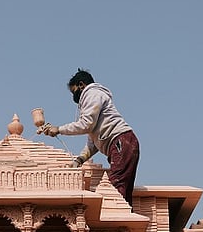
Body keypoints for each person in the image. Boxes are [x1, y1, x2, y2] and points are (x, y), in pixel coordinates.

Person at [41, 69, 140, 207]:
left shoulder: (92, 94)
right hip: (124, 143)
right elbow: (93, 141)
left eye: (73, 91)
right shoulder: (92, 99)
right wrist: (79, 160)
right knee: (123, 190)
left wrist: (59, 129)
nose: (74, 96)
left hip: (121, 142)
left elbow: (86, 124)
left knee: (115, 188)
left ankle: (114, 223)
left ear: (81, 85)